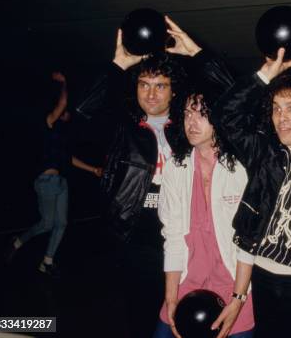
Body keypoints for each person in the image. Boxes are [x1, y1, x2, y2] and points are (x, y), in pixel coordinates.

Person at [76, 26, 216, 338]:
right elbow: (82, 111)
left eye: (160, 86)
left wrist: (198, 55)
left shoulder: (189, 128)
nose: (151, 93)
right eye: (144, 84)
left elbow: (236, 109)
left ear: (173, 91)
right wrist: (118, 65)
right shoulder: (123, 127)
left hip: (185, 235)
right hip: (136, 236)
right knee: (141, 317)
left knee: (186, 317)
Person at [212, 48, 291, 338]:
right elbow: (224, 115)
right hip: (264, 284)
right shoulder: (264, 155)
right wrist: (264, 76)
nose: (282, 117)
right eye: (276, 108)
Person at [153, 17, 254, 338]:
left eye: (202, 113)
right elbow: (173, 237)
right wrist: (171, 298)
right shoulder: (176, 167)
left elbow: (247, 241)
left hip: (236, 286)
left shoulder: (242, 167)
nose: (191, 122)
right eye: (187, 113)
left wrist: (238, 299)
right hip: (186, 283)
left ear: (220, 117)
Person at [6, 71, 102, 277]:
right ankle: (18, 241)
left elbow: (71, 160)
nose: (66, 112)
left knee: (62, 223)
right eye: (63, 110)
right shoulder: (47, 123)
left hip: (60, 182)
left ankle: (47, 262)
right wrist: (64, 83)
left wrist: (93, 169)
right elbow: (63, 101)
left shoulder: (60, 138)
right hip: (46, 182)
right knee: (47, 224)